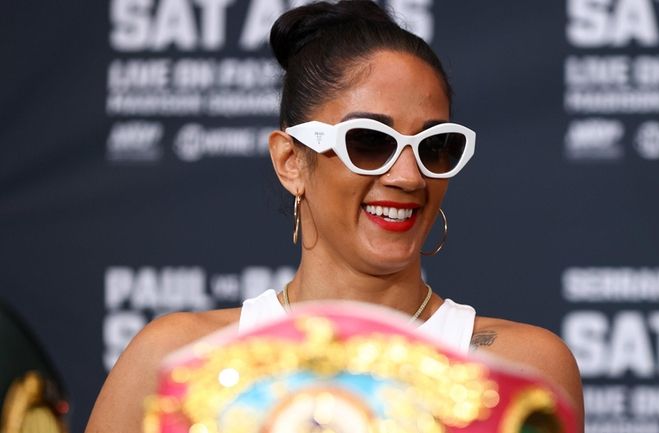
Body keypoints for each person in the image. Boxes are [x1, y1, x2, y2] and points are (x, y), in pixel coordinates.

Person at [85, 1, 584, 432]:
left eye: (435, 147)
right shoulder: (176, 362)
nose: (409, 177)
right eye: (369, 142)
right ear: (290, 162)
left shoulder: (518, 370)